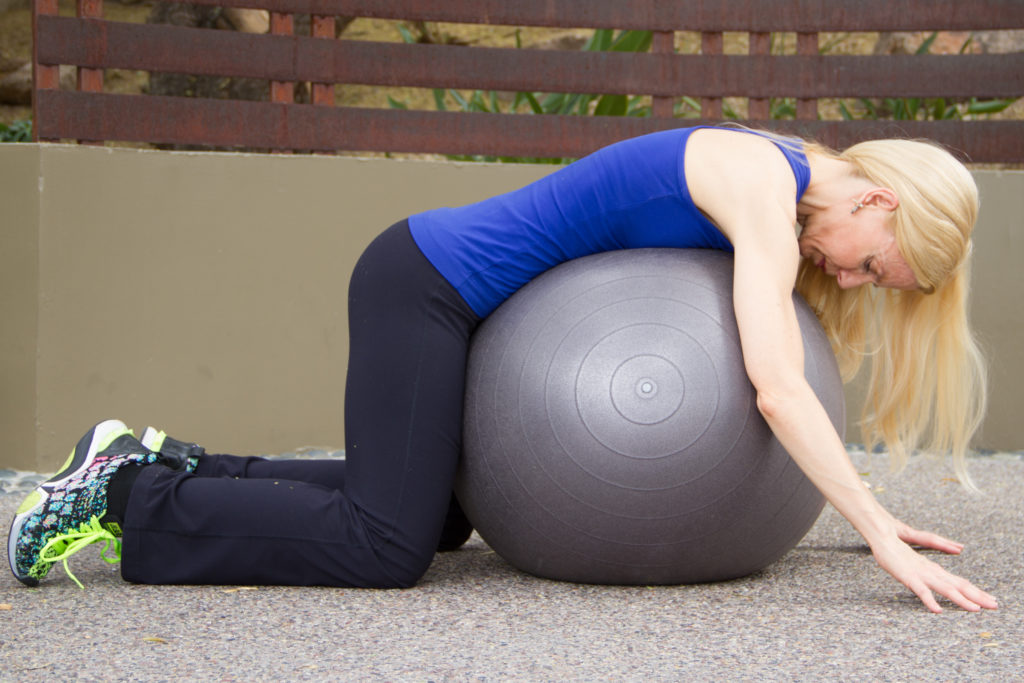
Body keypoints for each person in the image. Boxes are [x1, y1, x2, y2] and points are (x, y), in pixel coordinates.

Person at [7, 125, 998, 613]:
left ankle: (161, 460)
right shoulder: (757, 180)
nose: (849, 278)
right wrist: (874, 530)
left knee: (434, 512)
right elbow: (775, 381)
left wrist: (864, 512)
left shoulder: (776, 187)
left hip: (452, 296)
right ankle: (129, 497)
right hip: (427, 283)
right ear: (876, 201)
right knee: (384, 545)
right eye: (872, 264)